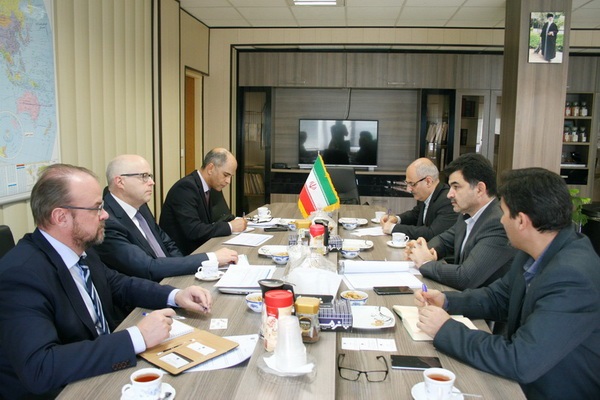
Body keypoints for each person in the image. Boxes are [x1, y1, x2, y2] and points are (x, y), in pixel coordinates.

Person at [0, 164, 215, 399]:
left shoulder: (81, 249)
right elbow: (40, 367)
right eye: (97, 208)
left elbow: (120, 285)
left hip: (100, 368)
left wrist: (175, 295)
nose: (105, 215)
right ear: (61, 217)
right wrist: (137, 337)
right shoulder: (21, 275)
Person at [415, 168, 600, 399]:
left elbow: (521, 360)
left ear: (521, 220)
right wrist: (447, 301)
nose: (500, 220)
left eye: (503, 213)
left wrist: (445, 329)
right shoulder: (535, 250)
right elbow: (498, 297)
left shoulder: (572, 277)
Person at [95, 154, 238, 282]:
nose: (152, 182)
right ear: (120, 182)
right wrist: (210, 258)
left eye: (150, 176)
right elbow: (147, 267)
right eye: (144, 176)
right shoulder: (106, 222)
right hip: (145, 293)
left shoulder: (140, 206)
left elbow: (167, 243)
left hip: (171, 277)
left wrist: (184, 271)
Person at [407, 153, 516, 290]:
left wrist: (425, 262)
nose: (449, 194)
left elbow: (465, 277)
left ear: (480, 189)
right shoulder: (467, 213)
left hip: (481, 301)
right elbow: (444, 240)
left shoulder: (497, 223)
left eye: (456, 187)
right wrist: (425, 250)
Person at [160, 148, 247, 255]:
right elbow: (194, 230)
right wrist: (230, 226)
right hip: (183, 255)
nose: (228, 181)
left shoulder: (210, 186)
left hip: (201, 247)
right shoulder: (185, 188)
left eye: (230, 176)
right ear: (210, 168)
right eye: (225, 175)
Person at [380, 158, 456, 240]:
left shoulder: (447, 200)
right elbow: (415, 214)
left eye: (412, 184)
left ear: (428, 181)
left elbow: (432, 233)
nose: (408, 189)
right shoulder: (427, 195)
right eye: (407, 183)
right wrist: (397, 219)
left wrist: (393, 228)